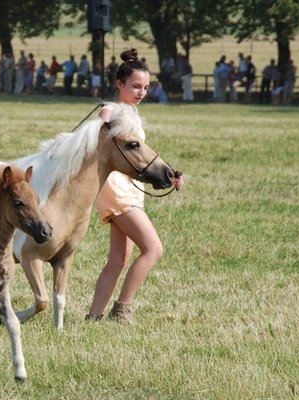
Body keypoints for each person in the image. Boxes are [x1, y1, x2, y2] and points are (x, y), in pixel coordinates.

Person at [86, 48, 184, 324]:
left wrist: (169, 171)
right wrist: (103, 119)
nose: (141, 92)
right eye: (135, 86)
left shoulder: (131, 114)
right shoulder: (114, 109)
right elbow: (97, 128)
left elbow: (140, 153)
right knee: (153, 248)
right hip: (116, 189)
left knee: (119, 258)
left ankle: (94, 316)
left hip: (127, 188)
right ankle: (122, 310)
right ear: (120, 85)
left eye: (145, 87)